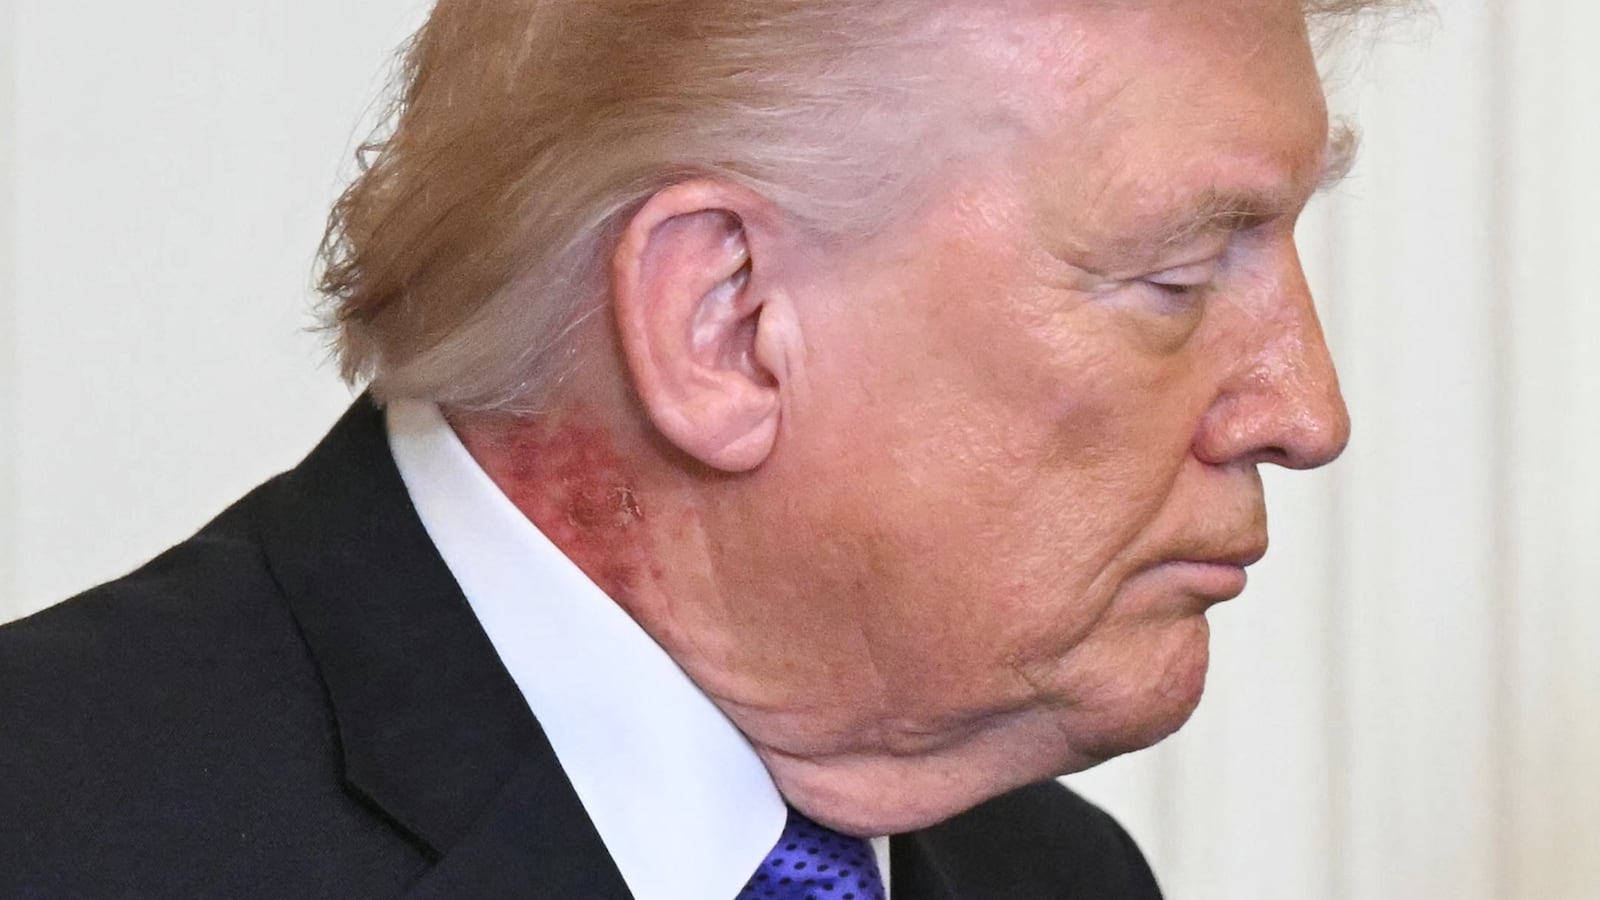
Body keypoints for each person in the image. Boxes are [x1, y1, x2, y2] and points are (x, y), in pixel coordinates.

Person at [1, 0, 1382, 896]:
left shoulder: (1059, 880)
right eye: (1182, 276)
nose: (1305, 410)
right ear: (723, 322)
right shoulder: (54, 831)